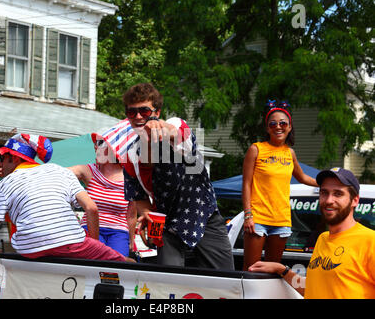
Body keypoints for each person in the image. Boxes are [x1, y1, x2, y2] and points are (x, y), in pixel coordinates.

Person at [0, 134, 133, 299]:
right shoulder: (58, 170)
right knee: (126, 264)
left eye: (1, 159)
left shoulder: (2, 186)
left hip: (29, 249)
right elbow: (91, 208)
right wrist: (92, 249)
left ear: (13, 158)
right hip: (70, 242)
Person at [121, 82, 234, 269]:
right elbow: (138, 196)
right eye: (132, 112)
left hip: (203, 215)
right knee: (169, 280)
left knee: (225, 277)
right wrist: (148, 215)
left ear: (157, 112)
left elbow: (174, 132)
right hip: (167, 223)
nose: (138, 117)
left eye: (145, 111)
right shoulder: (130, 155)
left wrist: (158, 127)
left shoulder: (176, 125)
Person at [249, 167, 375, 299]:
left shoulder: (370, 241)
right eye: (324, 193)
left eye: (338, 194)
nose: (328, 200)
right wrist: (282, 270)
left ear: (355, 200)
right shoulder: (323, 238)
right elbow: (311, 288)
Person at [241, 100, 318, 270]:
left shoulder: (290, 153)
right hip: (257, 219)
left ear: (289, 127)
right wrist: (248, 215)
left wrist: (327, 182)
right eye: (273, 123)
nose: (278, 127)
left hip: (282, 221)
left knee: (272, 270)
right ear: (267, 128)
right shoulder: (256, 149)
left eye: (283, 123)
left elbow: (303, 177)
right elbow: (246, 184)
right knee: (252, 270)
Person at [69, 131, 137, 257]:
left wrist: (131, 241)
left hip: (119, 231)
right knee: (94, 262)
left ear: (113, 148)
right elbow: (60, 173)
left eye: (100, 143)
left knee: (118, 265)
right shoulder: (89, 170)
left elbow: (132, 215)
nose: (95, 146)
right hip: (90, 227)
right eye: (95, 143)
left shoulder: (131, 178)